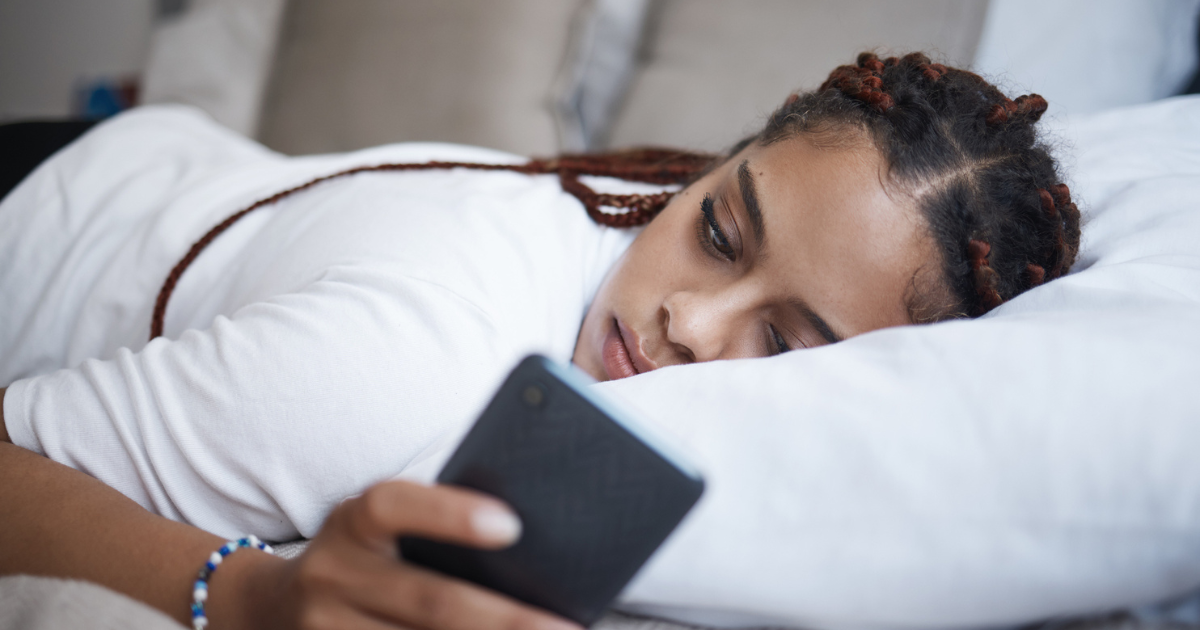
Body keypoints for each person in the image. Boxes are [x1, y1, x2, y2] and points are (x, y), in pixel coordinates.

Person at [0, 52, 1081, 629]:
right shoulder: (399, 370)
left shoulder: (627, 228)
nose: (688, 326)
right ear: (704, 169)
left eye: (787, 344)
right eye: (717, 229)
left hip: (148, 168)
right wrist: (247, 600)